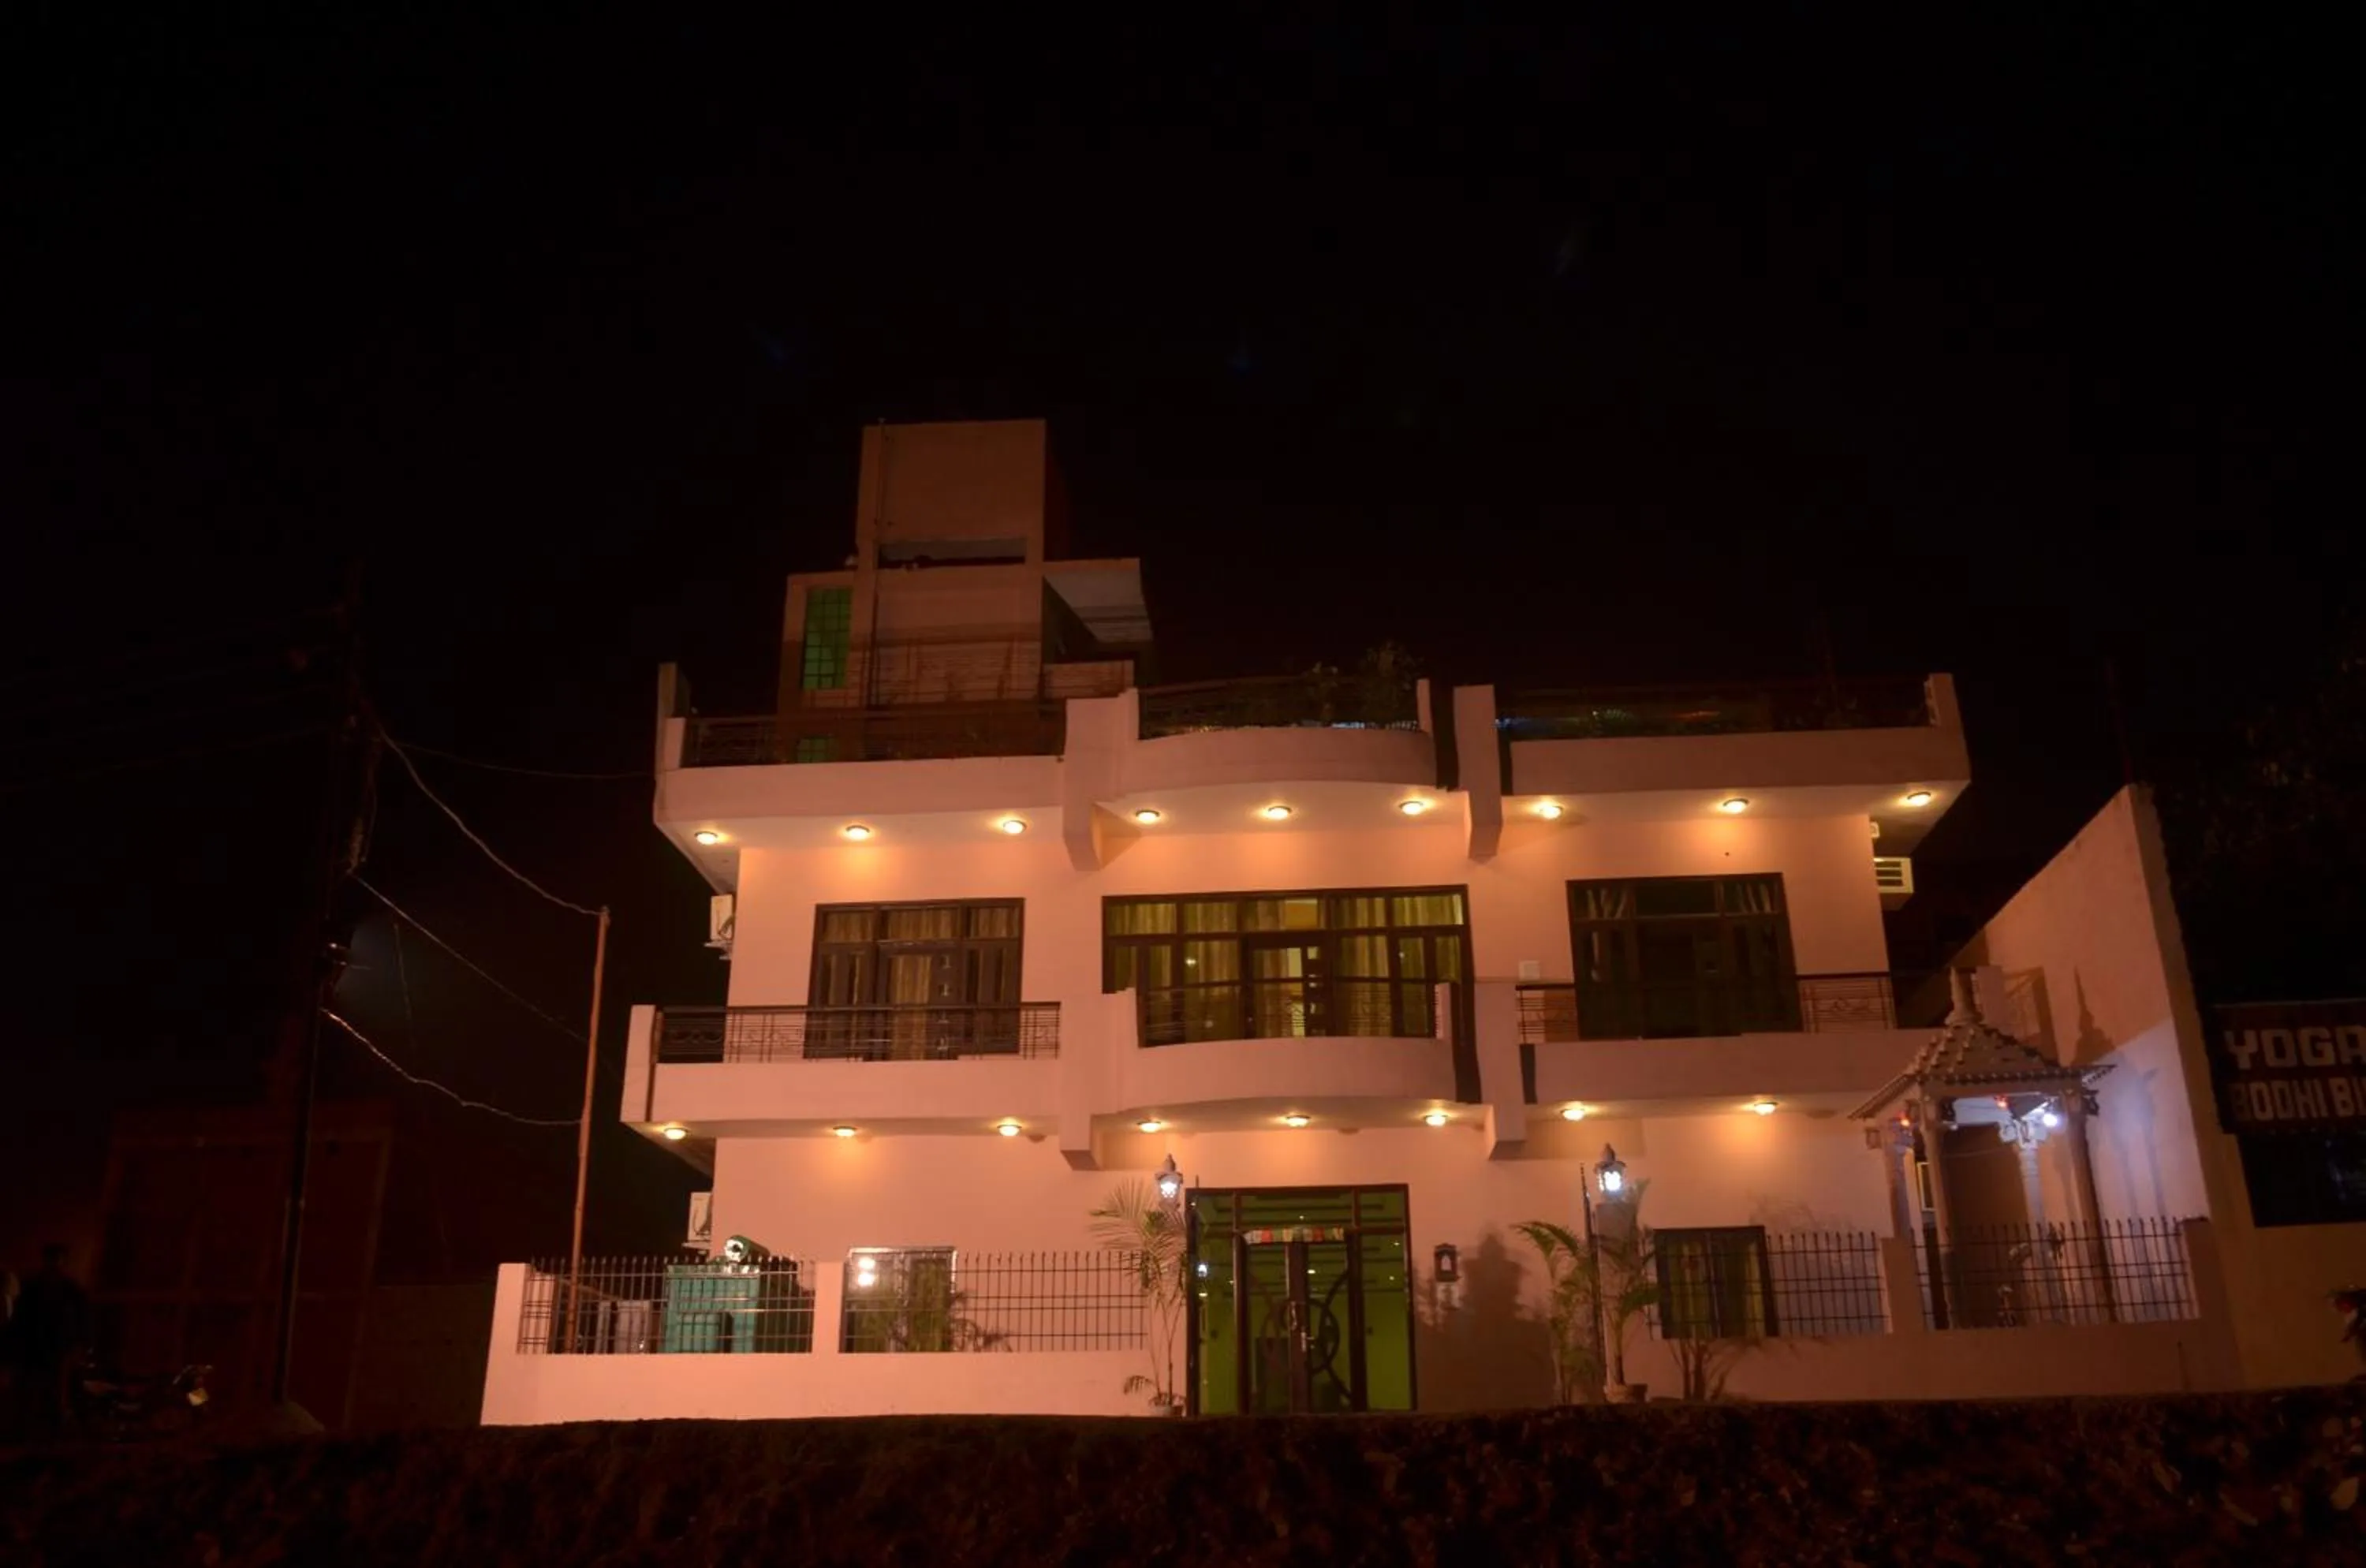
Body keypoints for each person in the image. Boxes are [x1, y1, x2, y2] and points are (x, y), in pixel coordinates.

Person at [12, 1245, 91, 1439]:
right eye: (52, 1259)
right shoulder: (33, 1289)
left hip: (60, 1346)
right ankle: (37, 1425)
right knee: (38, 1387)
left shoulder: (70, 1289)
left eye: (58, 1259)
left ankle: (56, 1422)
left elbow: (83, 1317)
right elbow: (21, 1319)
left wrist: (81, 1342)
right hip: (38, 1347)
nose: (55, 1264)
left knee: (60, 1387)